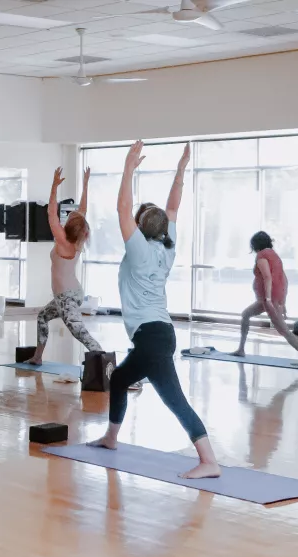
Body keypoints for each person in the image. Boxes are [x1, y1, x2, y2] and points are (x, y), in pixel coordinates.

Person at [91, 140, 220, 480]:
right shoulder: (167, 247)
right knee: (118, 379)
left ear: (139, 228)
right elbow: (173, 207)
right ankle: (111, 437)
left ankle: (209, 460)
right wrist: (180, 170)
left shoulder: (140, 252)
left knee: (174, 400)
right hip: (157, 334)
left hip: (152, 338)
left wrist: (128, 169)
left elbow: (122, 210)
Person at [28, 166, 103, 365]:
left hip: (66, 298)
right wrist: (85, 184)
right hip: (72, 293)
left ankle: (105, 362)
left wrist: (54, 187)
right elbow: (83, 210)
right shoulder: (77, 240)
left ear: (69, 226)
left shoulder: (63, 241)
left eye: (70, 216)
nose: (71, 213)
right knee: (43, 317)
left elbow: (51, 212)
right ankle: (37, 358)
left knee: (80, 333)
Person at [228, 231, 298, 363]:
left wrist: (268, 300)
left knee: (283, 329)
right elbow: (284, 279)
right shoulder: (275, 256)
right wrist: (283, 301)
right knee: (245, 314)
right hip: (268, 299)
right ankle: (241, 349)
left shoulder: (262, 256)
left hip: (268, 300)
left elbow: (267, 277)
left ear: (255, 244)